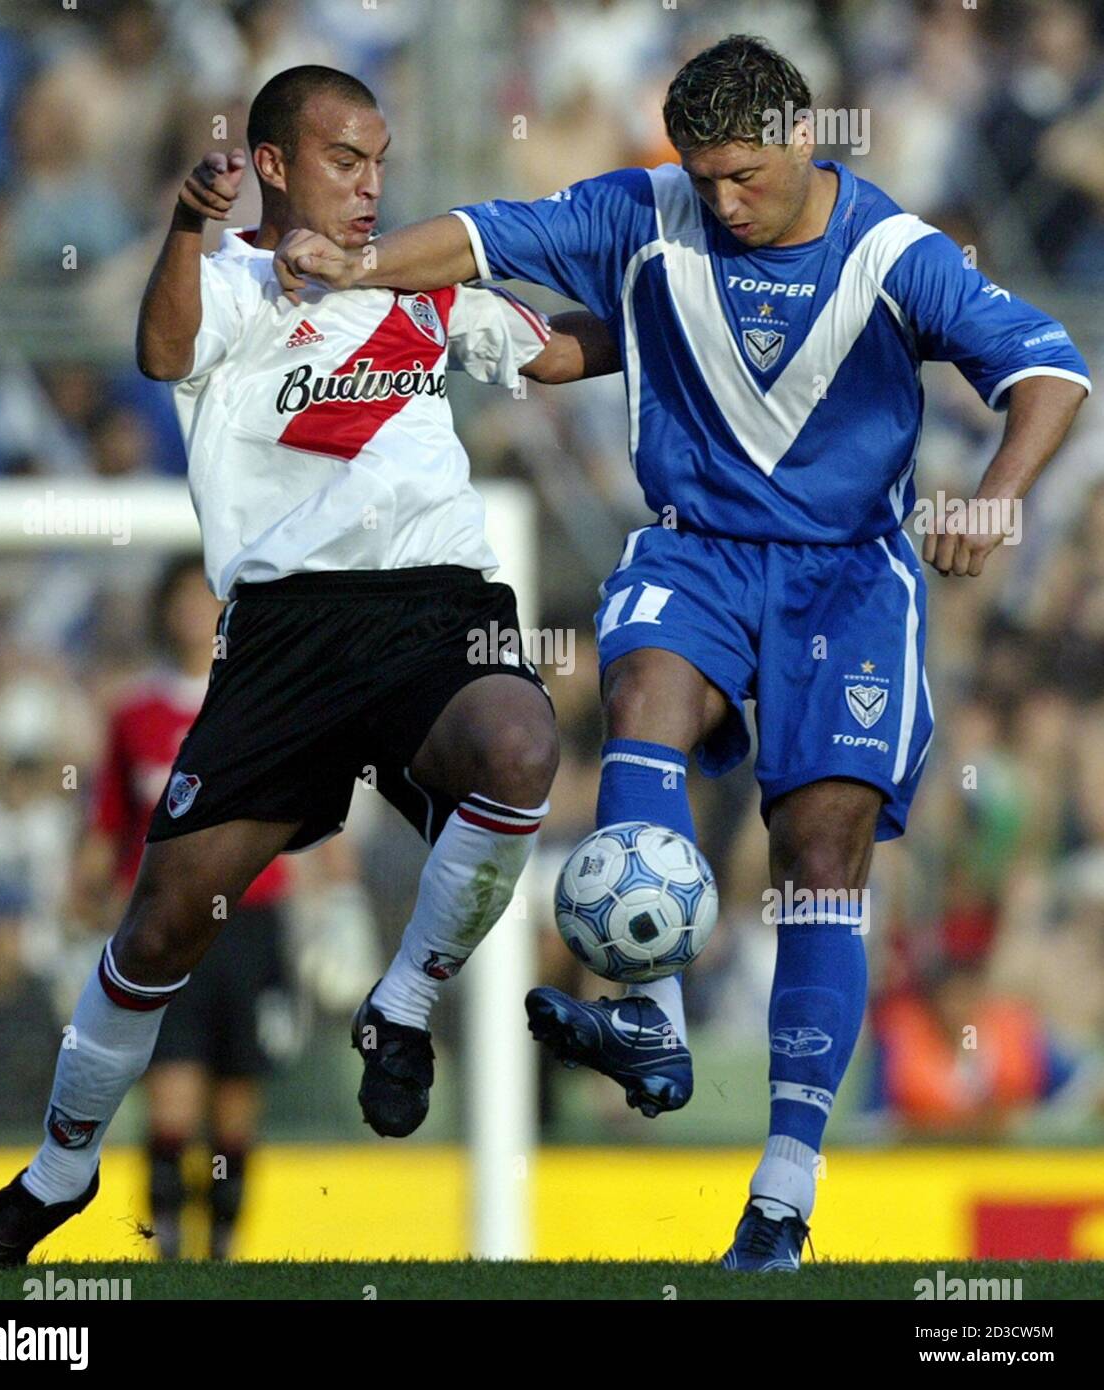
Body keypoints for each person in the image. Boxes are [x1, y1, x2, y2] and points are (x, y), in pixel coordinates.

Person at [271, 35, 1091, 1269]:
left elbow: (1050, 367)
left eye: (741, 176)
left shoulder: (892, 253)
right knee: (642, 695)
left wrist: (996, 495)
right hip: (698, 548)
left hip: (845, 579)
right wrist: (360, 264)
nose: (720, 201)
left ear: (804, 139)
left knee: (818, 853)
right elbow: (489, 235)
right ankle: (649, 1017)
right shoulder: (650, 211)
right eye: (702, 176)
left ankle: (783, 1193)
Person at [0, 64, 617, 1268]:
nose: (372, 187)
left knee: (521, 747)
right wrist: (185, 227)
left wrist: (678, 303)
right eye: (344, 162)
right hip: (284, 635)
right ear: (272, 163)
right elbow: (160, 352)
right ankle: (58, 1174)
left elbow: (561, 352)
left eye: (380, 162)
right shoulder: (228, 285)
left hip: (436, 606)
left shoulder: (416, 285)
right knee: (159, 930)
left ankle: (403, 1006)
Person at [75, 554, 293, 1260]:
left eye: (205, 603)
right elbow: (108, 825)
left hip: (251, 924)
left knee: (235, 1111)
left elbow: (301, 815)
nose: (192, 616)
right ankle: (166, 1252)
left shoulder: (260, 703)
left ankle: (222, 1253)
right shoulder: (134, 713)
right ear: (163, 612)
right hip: (166, 927)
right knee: (169, 1099)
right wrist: (83, 903)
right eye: (181, 602)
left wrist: (328, 901)